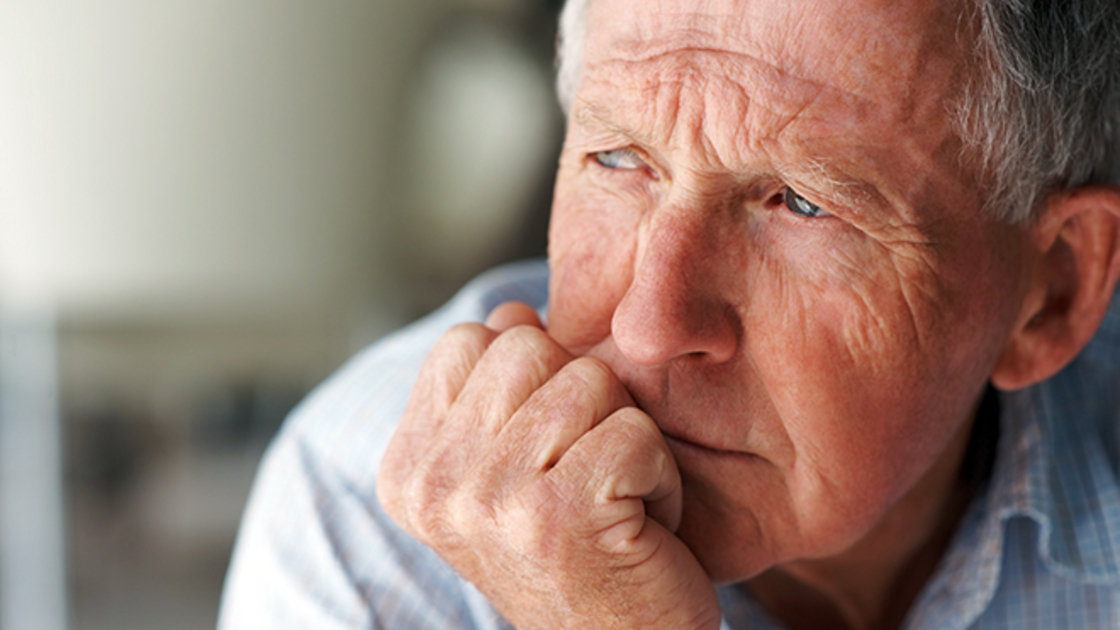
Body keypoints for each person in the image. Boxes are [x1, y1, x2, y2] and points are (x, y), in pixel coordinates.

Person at [217, 0, 1120, 628]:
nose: (649, 324)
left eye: (802, 205)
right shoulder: (365, 515)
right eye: (617, 161)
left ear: (1053, 293)